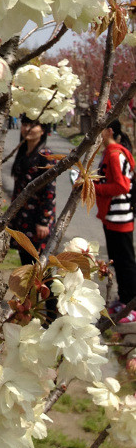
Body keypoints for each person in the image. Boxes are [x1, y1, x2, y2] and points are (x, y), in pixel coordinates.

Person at [95, 120, 136, 322]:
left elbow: (121, 186)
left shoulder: (113, 154)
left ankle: (131, 306)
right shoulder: (110, 153)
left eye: (100, 128)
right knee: (119, 261)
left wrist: (96, 189)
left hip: (120, 216)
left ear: (109, 131)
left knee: (126, 262)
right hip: (113, 216)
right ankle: (124, 300)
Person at [9, 116, 55, 263]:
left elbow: (49, 190)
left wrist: (44, 221)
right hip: (23, 217)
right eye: (24, 124)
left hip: (37, 219)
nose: (27, 128)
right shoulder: (23, 152)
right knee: (26, 263)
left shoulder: (46, 156)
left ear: (43, 130)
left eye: (33, 125)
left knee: (38, 266)